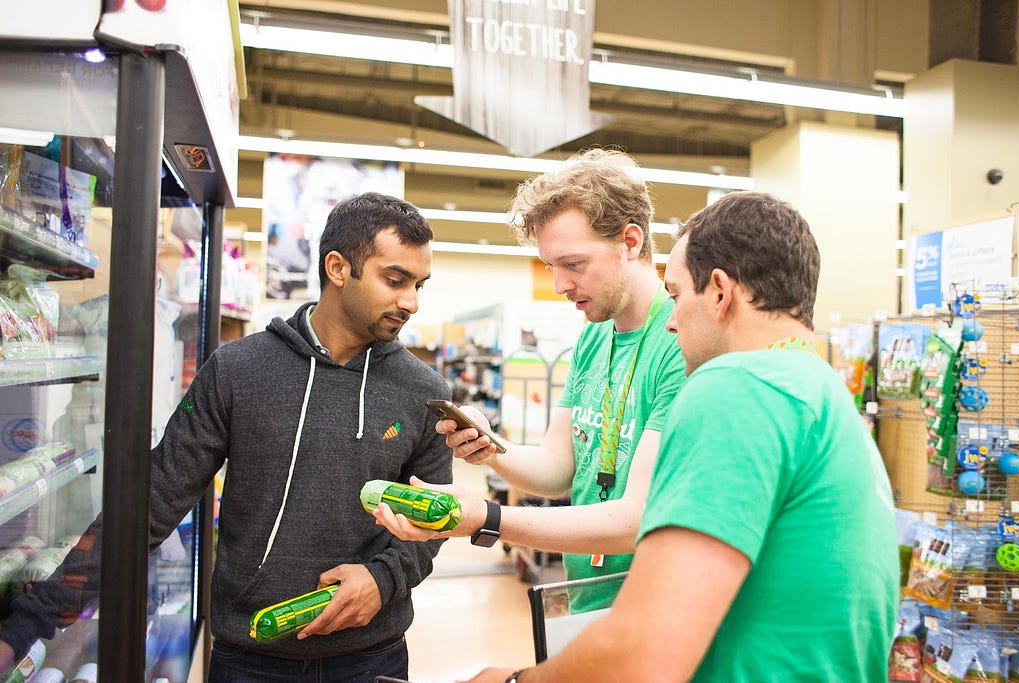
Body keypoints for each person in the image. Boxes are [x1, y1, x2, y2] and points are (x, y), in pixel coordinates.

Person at [0, 192, 454, 682]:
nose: (410, 301)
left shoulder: (424, 392)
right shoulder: (240, 370)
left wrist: (382, 580)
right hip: (249, 658)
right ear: (339, 267)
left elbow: (438, 514)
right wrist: (25, 626)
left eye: (418, 285)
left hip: (372, 656)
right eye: (395, 280)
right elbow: (153, 500)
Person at [460, 191, 899, 682]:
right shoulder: (821, 394)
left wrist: (516, 681)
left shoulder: (738, 387)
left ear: (718, 291)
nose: (669, 322)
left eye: (675, 295)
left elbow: (647, 647)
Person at [373, 149, 688, 611]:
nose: (559, 284)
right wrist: (491, 448)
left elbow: (633, 518)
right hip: (586, 600)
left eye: (573, 264)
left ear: (631, 242)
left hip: (650, 611)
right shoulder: (594, 338)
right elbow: (559, 467)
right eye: (550, 266)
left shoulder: (679, 345)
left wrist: (484, 516)